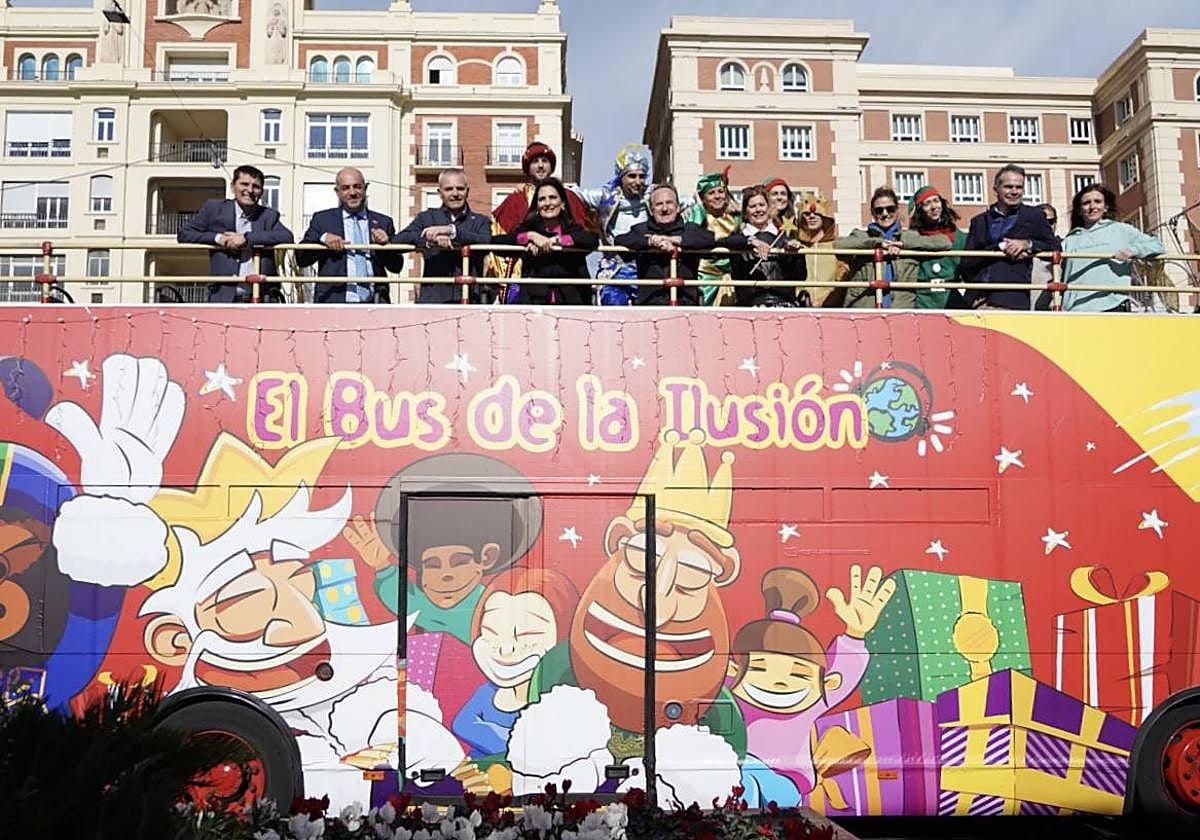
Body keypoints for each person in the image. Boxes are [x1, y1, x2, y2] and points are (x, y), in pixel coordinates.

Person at [177, 164, 293, 303]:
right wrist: (218, 238)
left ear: (261, 192)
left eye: (256, 186)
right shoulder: (214, 209)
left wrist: (247, 238)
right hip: (223, 297)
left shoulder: (268, 215)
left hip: (262, 298)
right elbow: (184, 234)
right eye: (244, 184)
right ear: (233, 187)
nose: (250, 190)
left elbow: (287, 236)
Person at [489, 142, 592, 287]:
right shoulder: (515, 199)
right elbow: (500, 240)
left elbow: (588, 236)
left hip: (568, 275)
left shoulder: (570, 197)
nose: (540, 166)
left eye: (545, 161)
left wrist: (558, 241)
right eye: (535, 161)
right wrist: (530, 238)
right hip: (527, 276)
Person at [297, 167, 404, 304]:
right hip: (333, 301)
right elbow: (301, 259)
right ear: (337, 192)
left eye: (357, 187)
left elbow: (396, 267)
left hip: (375, 303)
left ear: (365, 188)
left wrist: (386, 246)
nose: (352, 192)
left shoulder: (383, 222)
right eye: (346, 188)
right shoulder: (322, 220)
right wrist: (322, 239)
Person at [959, 164, 1058, 310]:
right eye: (1008, 187)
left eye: (1019, 187)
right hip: (976, 300)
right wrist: (1000, 247)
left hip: (1011, 299)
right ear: (996, 189)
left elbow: (1055, 248)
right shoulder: (979, 221)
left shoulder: (1034, 216)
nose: (1014, 192)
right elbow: (966, 263)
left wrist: (1027, 245)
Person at [836, 187, 950, 309]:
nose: (885, 214)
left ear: (897, 210)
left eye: (890, 209)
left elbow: (944, 242)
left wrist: (903, 244)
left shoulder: (910, 237)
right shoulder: (861, 236)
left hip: (900, 312)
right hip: (864, 311)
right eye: (879, 210)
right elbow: (838, 245)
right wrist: (877, 244)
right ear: (872, 213)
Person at [1061, 183, 1165, 312]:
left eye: (1097, 201)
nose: (1092, 207)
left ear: (1106, 207)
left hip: (1113, 306)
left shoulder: (1121, 230)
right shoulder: (1069, 241)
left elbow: (1157, 245)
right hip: (1075, 310)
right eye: (1086, 203)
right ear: (1079, 210)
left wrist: (1133, 251)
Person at [492, 177, 597, 305]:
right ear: (537, 205)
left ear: (563, 203)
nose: (547, 203)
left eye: (553, 197)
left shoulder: (572, 228)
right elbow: (495, 243)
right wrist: (530, 236)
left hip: (572, 303)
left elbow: (592, 240)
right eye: (542, 199)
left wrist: (559, 241)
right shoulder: (528, 228)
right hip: (534, 304)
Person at [394, 168, 492, 304]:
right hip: (433, 300)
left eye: (460, 188)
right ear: (440, 193)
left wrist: (452, 232)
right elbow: (398, 240)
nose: (455, 194)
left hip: (470, 299)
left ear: (467, 191)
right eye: (449, 189)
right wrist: (430, 241)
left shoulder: (481, 221)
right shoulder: (426, 218)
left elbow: (487, 241)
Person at [572, 143, 653, 306]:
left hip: (645, 268)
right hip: (614, 269)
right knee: (611, 309)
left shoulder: (653, 195)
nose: (638, 182)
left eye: (642, 176)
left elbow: (685, 201)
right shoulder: (606, 195)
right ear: (621, 177)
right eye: (632, 176)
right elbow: (573, 193)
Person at [615, 183, 715, 306]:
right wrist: (651, 242)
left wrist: (676, 240)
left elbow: (710, 239)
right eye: (659, 204)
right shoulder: (641, 231)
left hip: (686, 304)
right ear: (651, 210)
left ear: (678, 207)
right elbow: (620, 241)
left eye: (669, 203)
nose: (664, 208)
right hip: (650, 305)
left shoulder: (691, 229)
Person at [725, 184, 807, 307]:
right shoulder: (737, 239)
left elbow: (800, 276)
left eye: (761, 205)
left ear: (769, 208)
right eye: (752, 206)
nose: (758, 210)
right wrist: (748, 241)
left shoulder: (784, 239)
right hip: (750, 304)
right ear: (745, 212)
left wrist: (796, 256)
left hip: (784, 304)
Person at [683, 168, 741, 305]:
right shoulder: (697, 213)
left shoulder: (735, 216)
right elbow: (692, 235)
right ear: (703, 198)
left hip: (731, 276)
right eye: (711, 193)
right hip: (705, 277)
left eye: (720, 191)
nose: (717, 196)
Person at [908, 185, 968, 309]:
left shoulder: (959, 237)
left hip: (951, 299)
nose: (934, 206)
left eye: (936, 201)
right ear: (920, 210)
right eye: (927, 203)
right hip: (922, 301)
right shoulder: (913, 238)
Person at [793, 191, 846, 307]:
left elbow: (841, 279)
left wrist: (826, 300)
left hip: (830, 307)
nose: (811, 216)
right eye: (807, 214)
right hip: (801, 307)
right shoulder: (798, 247)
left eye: (817, 214)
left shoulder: (836, 246)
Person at [1032, 203, 1061, 311]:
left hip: (1053, 312)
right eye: (1042, 222)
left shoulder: (1065, 247)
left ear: (1056, 223)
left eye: (1051, 221)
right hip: (1027, 311)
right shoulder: (1023, 249)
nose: (1047, 226)